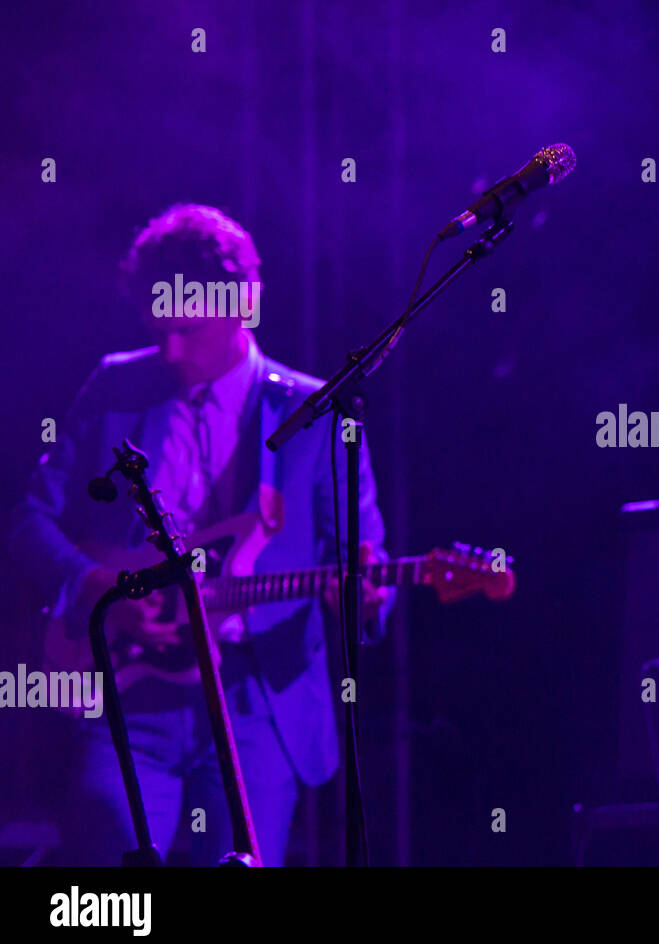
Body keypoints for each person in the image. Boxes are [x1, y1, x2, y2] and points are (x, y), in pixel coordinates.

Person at [10, 203, 390, 865]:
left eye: (188, 329)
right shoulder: (116, 384)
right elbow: (29, 521)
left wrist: (369, 597)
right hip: (132, 699)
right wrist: (100, 584)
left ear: (245, 302)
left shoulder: (318, 415)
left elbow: (363, 562)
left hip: (258, 702)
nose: (172, 350)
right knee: (110, 892)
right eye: (160, 330)